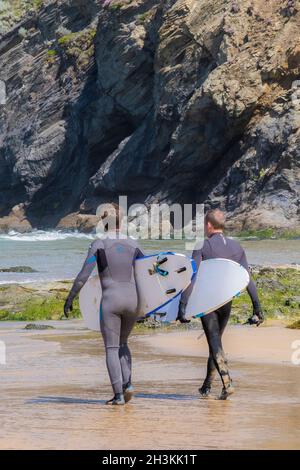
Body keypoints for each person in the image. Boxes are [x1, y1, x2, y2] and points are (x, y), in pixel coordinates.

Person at [177, 209, 263, 400]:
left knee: (214, 340)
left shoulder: (202, 245)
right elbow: (247, 278)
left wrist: (182, 305)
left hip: (207, 301)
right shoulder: (236, 247)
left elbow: (192, 275)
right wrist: (257, 307)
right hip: (226, 301)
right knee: (215, 341)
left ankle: (227, 382)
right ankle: (207, 385)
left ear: (208, 225)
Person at [64, 203, 144, 405]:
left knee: (111, 348)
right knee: (124, 343)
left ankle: (118, 396)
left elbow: (84, 275)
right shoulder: (135, 244)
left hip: (111, 300)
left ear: (104, 223)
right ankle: (128, 385)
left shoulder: (99, 244)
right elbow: (149, 274)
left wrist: (71, 297)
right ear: (121, 222)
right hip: (133, 300)